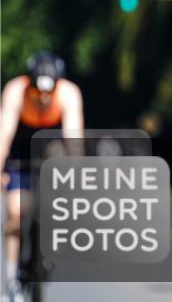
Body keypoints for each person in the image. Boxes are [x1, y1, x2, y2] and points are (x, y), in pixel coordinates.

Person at [0, 53, 83, 302]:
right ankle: (12, 279)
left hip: (51, 150)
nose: (43, 98)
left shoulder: (69, 94)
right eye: (37, 93)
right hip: (20, 153)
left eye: (49, 92)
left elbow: (73, 140)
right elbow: (4, 134)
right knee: (16, 213)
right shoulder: (16, 91)